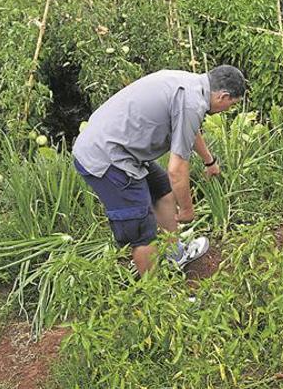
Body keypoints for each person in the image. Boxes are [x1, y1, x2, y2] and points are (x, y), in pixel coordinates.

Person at [73, 65, 246, 275]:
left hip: (120, 147)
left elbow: (189, 130)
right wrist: (187, 210)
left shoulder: (191, 85)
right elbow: (176, 170)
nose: (228, 109)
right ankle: (154, 296)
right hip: (106, 157)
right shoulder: (192, 102)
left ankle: (175, 255)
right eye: (231, 105)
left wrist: (209, 161)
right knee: (142, 232)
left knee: (163, 190)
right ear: (223, 96)